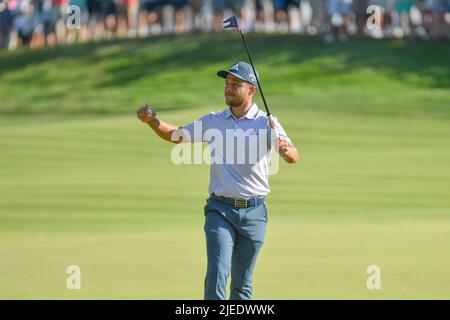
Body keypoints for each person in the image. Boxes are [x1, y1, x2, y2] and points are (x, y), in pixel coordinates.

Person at [136, 61, 299, 300]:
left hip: (255, 213)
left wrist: (285, 151)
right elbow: (176, 135)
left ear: (251, 90)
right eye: (226, 84)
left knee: (242, 285)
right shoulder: (214, 121)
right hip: (220, 210)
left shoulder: (267, 122)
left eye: (235, 84)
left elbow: (294, 155)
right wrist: (153, 121)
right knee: (218, 272)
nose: (228, 88)